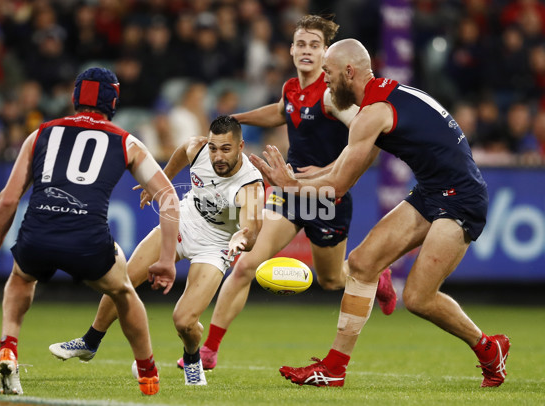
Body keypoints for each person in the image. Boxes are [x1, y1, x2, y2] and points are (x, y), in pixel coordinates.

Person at [251, 39, 510, 388]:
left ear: (348, 72)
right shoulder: (386, 97)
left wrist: (288, 184)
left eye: (327, 73)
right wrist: (294, 177)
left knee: (418, 298)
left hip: (461, 199)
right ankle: (334, 368)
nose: (322, 81)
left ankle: (488, 348)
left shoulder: (372, 113)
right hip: (432, 192)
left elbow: (339, 186)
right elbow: (339, 167)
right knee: (361, 263)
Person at [190, 15, 397, 372]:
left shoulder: (334, 98)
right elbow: (282, 112)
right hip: (288, 193)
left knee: (332, 280)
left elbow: (371, 138)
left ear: (325, 54)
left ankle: (377, 277)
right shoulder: (291, 89)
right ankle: (208, 350)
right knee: (245, 265)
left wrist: (334, 173)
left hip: (326, 197)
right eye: (301, 43)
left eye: (314, 45)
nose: (306, 50)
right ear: (290, 50)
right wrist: (236, 119)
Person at [0, 67, 179, 396]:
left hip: (38, 233)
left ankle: (8, 347)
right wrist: (167, 259)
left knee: (21, 278)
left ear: (75, 97)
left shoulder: (40, 134)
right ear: (113, 100)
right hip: (88, 241)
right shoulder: (127, 141)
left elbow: (9, 199)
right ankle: (148, 372)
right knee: (123, 292)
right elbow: (169, 198)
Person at [48, 115, 265, 386]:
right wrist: (160, 185)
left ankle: (192, 357)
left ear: (241, 146)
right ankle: (90, 341)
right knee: (121, 278)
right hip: (185, 220)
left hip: (217, 243)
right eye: (213, 148)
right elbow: (179, 155)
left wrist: (239, 241)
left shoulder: (251, 187)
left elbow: (251, 233)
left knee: (184, 322)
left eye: (225, 149)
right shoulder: (196, 148)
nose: (217, 156)